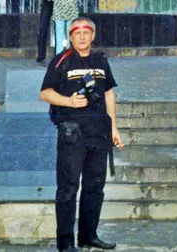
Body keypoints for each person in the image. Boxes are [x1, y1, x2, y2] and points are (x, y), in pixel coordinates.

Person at [40, 17, 123, 252]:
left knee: (94, 188)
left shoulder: (100, 59)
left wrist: (114, 128)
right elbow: (45, 93)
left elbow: (109, 94)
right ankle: (66, 243)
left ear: (93, 36)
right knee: (68, 189)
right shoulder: (61, 60)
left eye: (86, 32)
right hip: (73, 136)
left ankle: (88, 236)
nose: (82, 36)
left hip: (99, 134)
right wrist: (68, 101)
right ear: (71, 37)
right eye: (77, 33)